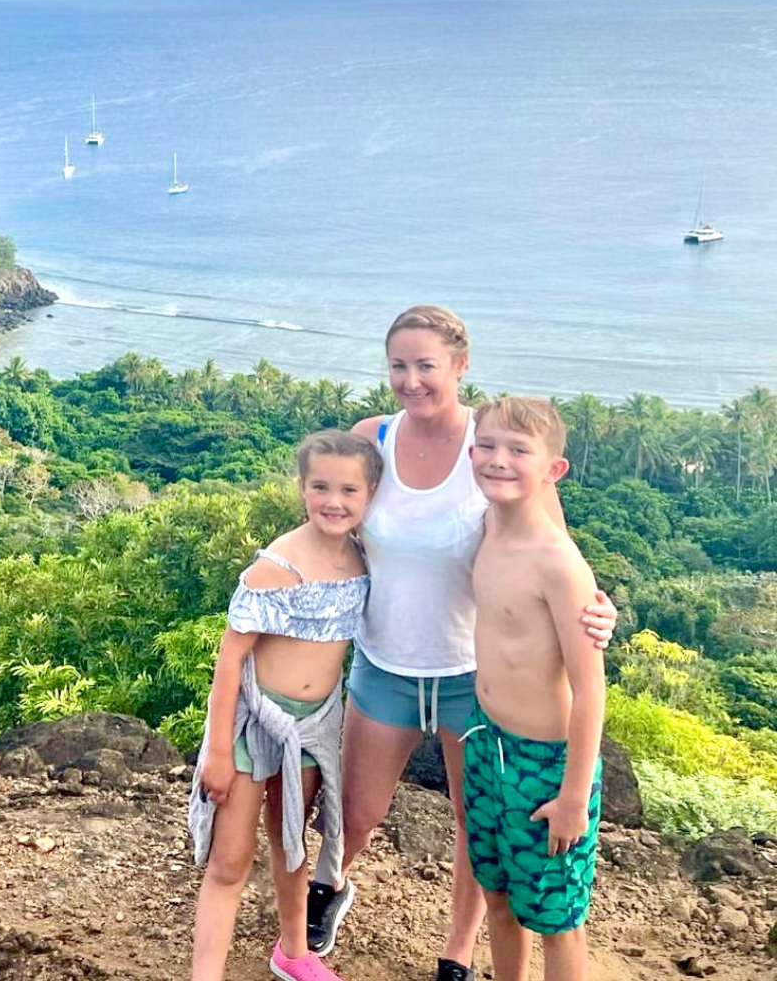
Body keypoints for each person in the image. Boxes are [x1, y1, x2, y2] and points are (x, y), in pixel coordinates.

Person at [306, 305, 617, 981]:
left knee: (475, 832)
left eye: (427, 365)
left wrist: (598, 609)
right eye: (398, 365)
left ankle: (457, 953)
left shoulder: (493, 441)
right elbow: (327, 518)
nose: (412, 380)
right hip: (386, 657)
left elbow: (552, 543)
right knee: (355, 813)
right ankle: (328, 889)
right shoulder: (372, 438)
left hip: (469, 675)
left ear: (460, 365)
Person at [188, 429, 383, 981]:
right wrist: (219, 752)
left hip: (316, 723)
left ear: (370, 494)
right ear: (301, 488)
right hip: (256, 723)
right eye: (320, 486)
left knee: (291, 844)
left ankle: (295, 952)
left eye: (350, 489)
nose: (334, 501)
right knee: (229, 862)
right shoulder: (277, 565)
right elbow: (231, 662)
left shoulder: (365, 561)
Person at [463, 396, 605, 981]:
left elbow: (591, 689)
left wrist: (574, 797)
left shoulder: (560, 564)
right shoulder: (488, 524)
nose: (499, 460)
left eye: (519, 450)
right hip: (487, 743)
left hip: (547, 764)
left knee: (556, 922)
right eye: (488, 447)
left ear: (553, 470)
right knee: (496, 895)